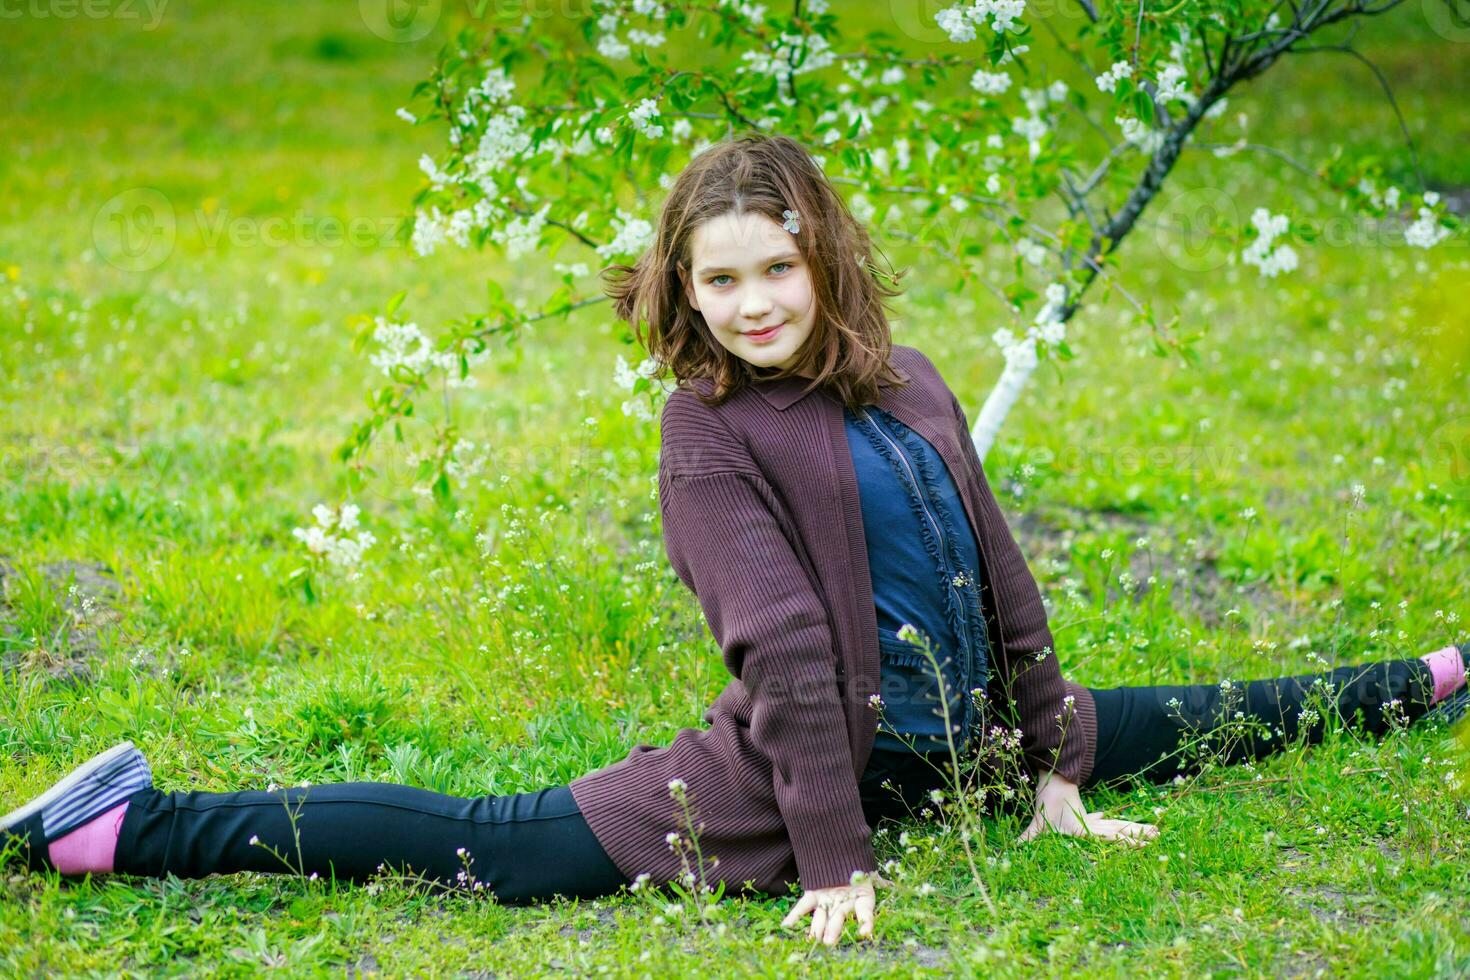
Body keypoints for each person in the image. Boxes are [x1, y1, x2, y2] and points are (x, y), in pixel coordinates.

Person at [4, 134, 1466, 948]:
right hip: (778, 778)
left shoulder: (908, 381)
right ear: (682, 289)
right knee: (481, 844)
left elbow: (1000, 575)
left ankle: (1432, 671)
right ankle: (131, 828)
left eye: (778, 267)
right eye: (721, 278)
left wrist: (1054, 767)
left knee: (1190, 721)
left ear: (822, 257)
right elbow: (781, 649)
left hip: (959, 747)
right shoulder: (705, 431)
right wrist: (831, 858)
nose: (755, 300)